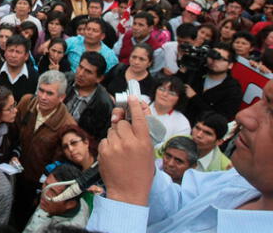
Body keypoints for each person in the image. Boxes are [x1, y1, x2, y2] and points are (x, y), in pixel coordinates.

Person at [86, 80, 273, 233]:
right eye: (263, 100)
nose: (243, 116)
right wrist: (140, 167)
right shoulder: (239, 180)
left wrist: (124, 200)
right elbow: (178, 206)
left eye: (271, 112)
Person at [10, 70, 77, 230]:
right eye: (41, 90)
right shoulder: (26, 103)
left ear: (62, 97)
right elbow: (13, 134)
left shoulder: (67, 125)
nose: (43, 97)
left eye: (49, 93)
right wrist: (13, 154)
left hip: (37, 187)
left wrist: (42, 191)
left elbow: (58, 163)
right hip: (15, 174)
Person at [179, 42, 243, 123]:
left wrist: (195, 98)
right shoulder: (196, 71)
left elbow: (220, 118)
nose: (214, 60)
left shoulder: (233, 90)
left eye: (220, 58)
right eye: (212, 56)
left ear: (230, 65)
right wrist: (182, 70)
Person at [22, 164, 91, 233]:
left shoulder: (69, 229)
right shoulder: (52, 202)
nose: (44, 194)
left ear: (70, 204)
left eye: (53, 192)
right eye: (46, 184)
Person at [64, 52, 114, 141]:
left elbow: (99, 139)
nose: (80, 74)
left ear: (99, 78)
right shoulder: (66, 80)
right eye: (80, 67)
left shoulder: (104, 104)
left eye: (88, 72)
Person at [0, 34, 39, 102]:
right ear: (5, 52)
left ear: (26, 56)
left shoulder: (34, 76)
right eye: (10, 51)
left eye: (18, 52)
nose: (13, 55)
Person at [148, 76, 191, 148]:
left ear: (179, 99)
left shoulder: (182, 123)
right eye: (161, 89)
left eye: (172, 93)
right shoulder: (140, 102)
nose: (164, 94)